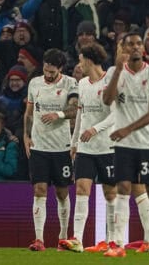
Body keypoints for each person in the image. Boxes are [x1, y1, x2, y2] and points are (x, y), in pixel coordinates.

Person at [103, 32, 149, 257]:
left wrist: (127, 129)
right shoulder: (114, 73)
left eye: (139, 43)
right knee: (122, 189)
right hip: (124, 145)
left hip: (148, 142)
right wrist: (118, 70)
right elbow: (107, 100)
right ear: (122, 48)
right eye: (130, 44)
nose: (136, 47)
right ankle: (118, 244)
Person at [58, 43, 117, 253]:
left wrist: (95, 129)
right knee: (82, 189)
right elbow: (81, 114)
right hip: (86, 148)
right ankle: (77, 239)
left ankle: (112, 241)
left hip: (108, 147)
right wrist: (74, 143)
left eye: (81, 60)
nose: (78, 64)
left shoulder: (110, 81)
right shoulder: (82, 84)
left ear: (89, 60)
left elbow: (116, 114)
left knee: (111, 193)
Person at [23, 48, 79, 251]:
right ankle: (39, 239)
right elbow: (29, 113)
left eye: (52, 72)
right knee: (39, 191)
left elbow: (74, 109)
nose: (48, 75)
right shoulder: (34, 83)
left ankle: (63, 237)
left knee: (62, 193)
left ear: (60, 69)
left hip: (61, 147)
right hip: (39, 146)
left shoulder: (70, 83)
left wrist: (59, 114)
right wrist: (26, 136)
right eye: (46, 70)